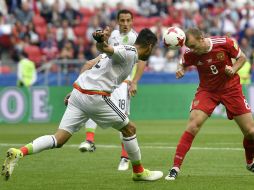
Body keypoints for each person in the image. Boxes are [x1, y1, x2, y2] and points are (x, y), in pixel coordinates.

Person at [1, 27, 163, 182]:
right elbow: (105, 48)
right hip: (95, 97)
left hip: (79, 92)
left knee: (59, 139)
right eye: (154, 48)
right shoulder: (129, 52)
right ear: (149, 46)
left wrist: (74, 91)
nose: (153, 52)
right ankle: (139, 172)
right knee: (130, 129)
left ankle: (19, 152)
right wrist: (100, 41)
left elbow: (88, 65)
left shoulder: (123, 51)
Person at [165, 28, 254, 181]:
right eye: (189, 47)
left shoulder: (224, 43)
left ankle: (250, 161)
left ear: (202, 38)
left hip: (231, 89)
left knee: (251, 132)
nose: (191, 50)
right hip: (207, 91)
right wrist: (180, 69)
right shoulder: (190, 53)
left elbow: (242, 58)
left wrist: (233, 69)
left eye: (193, 46)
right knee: (193, 125)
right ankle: (175, 167)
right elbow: (183, 63)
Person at [77, 9, 146, 171]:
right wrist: (103, 41)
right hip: (106, 80)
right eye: (122, 20)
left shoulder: (136, 38)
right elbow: (104, 53)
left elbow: (142, 62)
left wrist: (134, 82)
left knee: (123, 118)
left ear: (132, 21)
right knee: (93, 106)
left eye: (128, 20)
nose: (125, 24)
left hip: (123, 83)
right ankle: (89, 140)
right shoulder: (113, 35)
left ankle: (124, 157)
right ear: (118, 21)